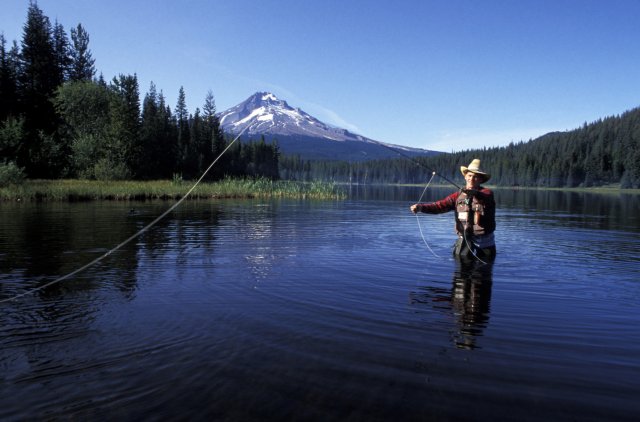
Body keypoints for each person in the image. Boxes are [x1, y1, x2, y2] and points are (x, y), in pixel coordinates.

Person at [410, 159, 496, 260]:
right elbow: (439, 206)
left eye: (476, 176)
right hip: (464, 239)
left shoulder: (487, 193)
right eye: (470, 175)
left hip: (484, 242)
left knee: (484, 272)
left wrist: (474, 193)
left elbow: (485, 196)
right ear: (465, 176)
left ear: (481, 180)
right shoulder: (457, 196)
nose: (472, 179)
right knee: (461, 272)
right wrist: (421, 207)